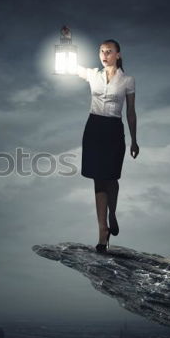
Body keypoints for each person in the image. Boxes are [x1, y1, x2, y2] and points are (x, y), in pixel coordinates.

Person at [72, 40, 139, 253]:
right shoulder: (93, 74)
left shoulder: (128, 80)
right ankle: (103, 231)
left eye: (109, 52)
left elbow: (130, 112)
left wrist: (135, 140)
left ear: (118, 55)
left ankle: (112, 212)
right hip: (93, 127)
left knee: (111, 177)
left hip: (113, 128)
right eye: (101, 51)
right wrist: (67, 41)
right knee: (98, 179)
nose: (104, 55)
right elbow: (70, 67)